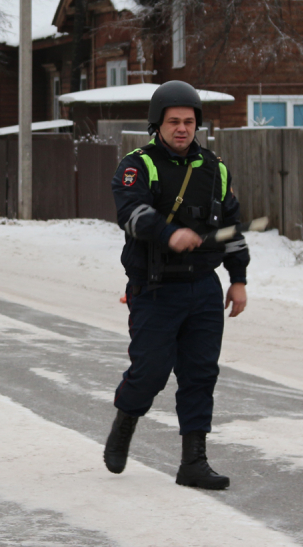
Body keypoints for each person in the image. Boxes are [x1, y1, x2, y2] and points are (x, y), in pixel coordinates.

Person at [104, 80, 249, 490]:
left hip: (203, 287)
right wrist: (169, 233)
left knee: (200, 374)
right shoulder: (138, 165)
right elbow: (130, 213)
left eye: (189, 121)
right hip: (154, 288)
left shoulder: (215, 169)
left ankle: (194, 461)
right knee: (150, 372)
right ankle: (125, 422)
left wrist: (237, 279)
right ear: (158, 124)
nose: (182, 129)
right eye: (174, 122)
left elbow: (231, 230)